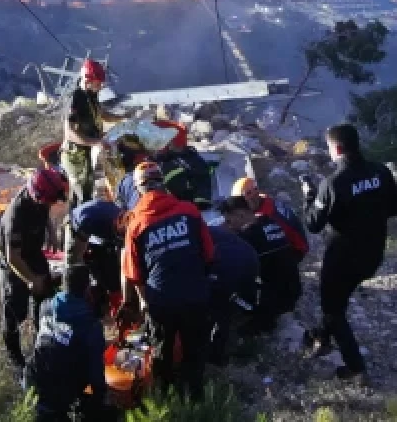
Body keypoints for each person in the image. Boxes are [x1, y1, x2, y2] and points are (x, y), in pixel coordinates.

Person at [303, 124, 397, 385]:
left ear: (336, 148)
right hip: (373, 254)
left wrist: (309, 198)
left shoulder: (333, 184)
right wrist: (370, 214)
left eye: (329, 148)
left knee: (332, 309)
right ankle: (322, 337)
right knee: (337, 300)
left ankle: (355, 368)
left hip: (342, 258)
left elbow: (313, 224)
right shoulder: (380, 172)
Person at [121, 161, 214, 400]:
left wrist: (144, 302)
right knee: (195, 349)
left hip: (161, 299)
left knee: (162, 349)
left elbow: (134, 274)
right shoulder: (189, 211)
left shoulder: (136, 224)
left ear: (139, 189)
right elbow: (209, 253)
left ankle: (165, 397)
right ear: (163, 182)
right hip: (195, 293)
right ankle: (196, 397)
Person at [0, 167, 69, 370]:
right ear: (37, 197)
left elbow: (45, 212)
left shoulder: (43, 195)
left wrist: (52, 231)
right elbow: (13, 257)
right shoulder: (16, 216)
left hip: (34, 251)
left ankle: (43, 341)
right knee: (14, 310)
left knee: (45, 296)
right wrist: (30, 279)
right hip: (14, 262)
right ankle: (15, 356)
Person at [23, 264, 116, 422]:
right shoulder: (90, 326)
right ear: (87, 290)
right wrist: (102, 400)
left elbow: (52, 338)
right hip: (62, 393)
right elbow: (96, 376)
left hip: (34, 379)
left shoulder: (46, 306)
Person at [62, 59, 125, 240]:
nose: (100, 87)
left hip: (86, 152)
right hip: (75, 156)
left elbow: (100, 113)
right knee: (83, 195)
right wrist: (95, 143)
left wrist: (120, 118)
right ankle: (82, 237)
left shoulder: (91, 95)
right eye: (98, 83)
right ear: (88, 80)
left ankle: (78, 231)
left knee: (84, 192)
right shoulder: (75, 98)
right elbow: (70, 134)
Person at [220, 196, 302, 333]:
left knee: (224, 287)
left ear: (241, 215)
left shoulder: (248, 238)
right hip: (293, 290)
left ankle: (262, 320)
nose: (228, 225)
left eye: (229, 221)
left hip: (276, 301)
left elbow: (226, 263)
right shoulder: (270, 221)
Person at [206, 222, 259, 366]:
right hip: (250, 257)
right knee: (235, 297)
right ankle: (249, 312)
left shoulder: (191, 241)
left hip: (229, 265)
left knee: (219, 311)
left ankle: (216, 356)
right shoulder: (203, 228)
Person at [67, 198, 125, 317]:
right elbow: (76, 258)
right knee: (77, 270)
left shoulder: (125, 221)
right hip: (79, 223)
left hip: (101, 229)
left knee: (113, 271)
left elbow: (123, 257)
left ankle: (111, 303)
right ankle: (80, 309)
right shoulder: (88, 221)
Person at [232, 177, 309, 258]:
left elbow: (301, 245)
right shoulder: (235, 218)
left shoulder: (279, 212)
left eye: (255, 189)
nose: (253, 195)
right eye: (248, 193)